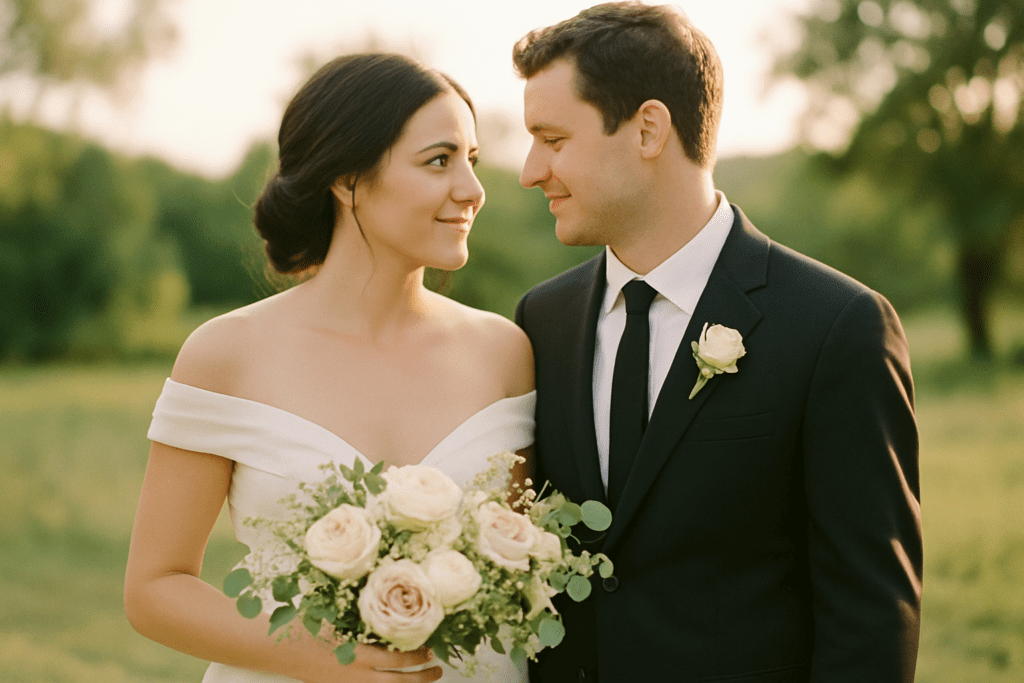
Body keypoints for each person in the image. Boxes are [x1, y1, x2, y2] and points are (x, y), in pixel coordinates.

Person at [512, 3, 922, 682]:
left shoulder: (836, 325)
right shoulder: (541, 320)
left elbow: (870, 616)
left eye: (552, 139)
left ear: (648, 129)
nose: (530, 170)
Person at [123, 53, 534, 683]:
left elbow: (523, 571)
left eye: (472, 161)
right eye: (439, 160)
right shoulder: (227, 353)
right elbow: (155, 589)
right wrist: (327, 661)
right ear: (347, 180)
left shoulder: (505, 353)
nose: (472, 190)